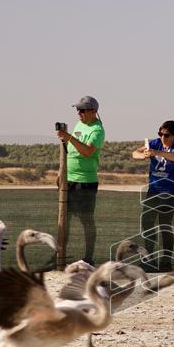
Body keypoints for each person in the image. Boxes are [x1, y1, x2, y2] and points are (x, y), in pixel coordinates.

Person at [134, 120, 174, 272]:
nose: (163, 137)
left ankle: (166, 261)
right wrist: (143, 155)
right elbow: (134, 153)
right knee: (147, 223)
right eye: (160, 134)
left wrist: (156, 153)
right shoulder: (155, 143)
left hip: (170, 190)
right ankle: (149, 259)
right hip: (154, 189)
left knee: (164, 225)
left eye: (167, 135)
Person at [57, 96, 105, 265]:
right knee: (65, 219)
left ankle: (89, 257)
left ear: (93, 111)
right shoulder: (79, 125)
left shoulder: (97, 130)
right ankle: (60, 256)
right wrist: (61, 171)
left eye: (82, 110)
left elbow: (87, 151)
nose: (79, 113)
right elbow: (69, 151)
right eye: (78, 109)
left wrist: (69, 137)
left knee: (87, 221)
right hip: (68, 180)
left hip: (85, 182)